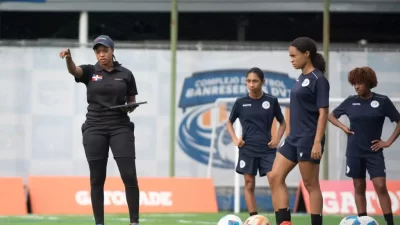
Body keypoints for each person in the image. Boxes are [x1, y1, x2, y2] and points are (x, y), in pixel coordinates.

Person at [59, 35, 140, 225]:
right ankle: (99, 223)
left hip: (120, 127)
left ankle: (134, 222)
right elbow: (74, 71)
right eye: (98, 51)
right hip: (94, 128)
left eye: (105, 51)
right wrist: (69, 59)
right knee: (96, 179)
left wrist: (130, 107)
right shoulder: (90, 71)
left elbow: (132, 100)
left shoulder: (126, 74)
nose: (101, 55)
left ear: (112, 51)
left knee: (129, 175)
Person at [269, 37, 330, 225]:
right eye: (290, 56)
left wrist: (317, 141)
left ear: (307, 54)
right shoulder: (300, 78)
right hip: (293, 138)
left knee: (311, 185)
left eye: (294, 56)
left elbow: (323, 113)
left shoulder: (319, 80)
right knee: (274, 176)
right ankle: (284, 223)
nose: (291, 59)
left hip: (309, 138)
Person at [328, 66, 400, 225]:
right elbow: (331, 116)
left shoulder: (382, 101)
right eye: (354, 83)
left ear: (369, 82)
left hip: (374, 152)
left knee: (380, 186)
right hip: (354, 152)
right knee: (358, 186)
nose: (356, 86)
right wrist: (343, 127)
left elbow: (399, 121)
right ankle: (362, 220)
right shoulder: (350, 101)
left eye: (360, 83)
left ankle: (390, 223)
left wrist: (387, 142)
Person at [226, 67, 287, 217]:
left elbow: (283, 122)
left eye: (255, 81)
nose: (251, 84)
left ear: (262, 82)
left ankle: (280, 217)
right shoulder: (240, 102)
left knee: (274, 181)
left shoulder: (271, 101)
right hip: (247, 148)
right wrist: (235, 138)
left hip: (267, 149)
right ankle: (253, 218)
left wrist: (277, 139)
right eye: (248, 81)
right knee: (248, 183)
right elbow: (229, 123)